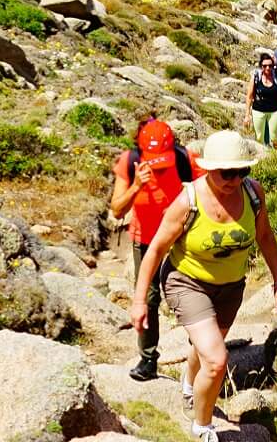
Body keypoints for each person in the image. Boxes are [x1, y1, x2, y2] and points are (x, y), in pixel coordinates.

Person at [131, 130, 277, 442]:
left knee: (207, 348)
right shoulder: (187, 202)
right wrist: (139, 301)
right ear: (208, 169)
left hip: (231, 287)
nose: (234, 179)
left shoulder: (253, 194)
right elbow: (156, 250)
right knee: (216, 360)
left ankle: (190, 386)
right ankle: (202, 426)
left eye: (242, 171)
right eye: (226, 173)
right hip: (187, 282)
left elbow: (266, 237)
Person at [108, 117, 194, 381]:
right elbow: (117, 209)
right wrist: (137, 185)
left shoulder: (184, 159)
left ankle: (200, 352)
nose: (158, 168)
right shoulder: (129, 161)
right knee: (148, 298)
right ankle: (148, 360)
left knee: (191, 293)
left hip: (180, 235)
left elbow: (207, 189)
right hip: (145, 237)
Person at [247, 51, 277, 148]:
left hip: (275, 111)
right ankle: (260, 158)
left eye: (270, 65)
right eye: (264, 66)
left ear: (273, 65)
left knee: (274, 137)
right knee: (259, 137)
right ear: (261, 66)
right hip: (258, 110)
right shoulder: (256, 77)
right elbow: (249, 96)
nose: (268, 68)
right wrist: (247, 115)